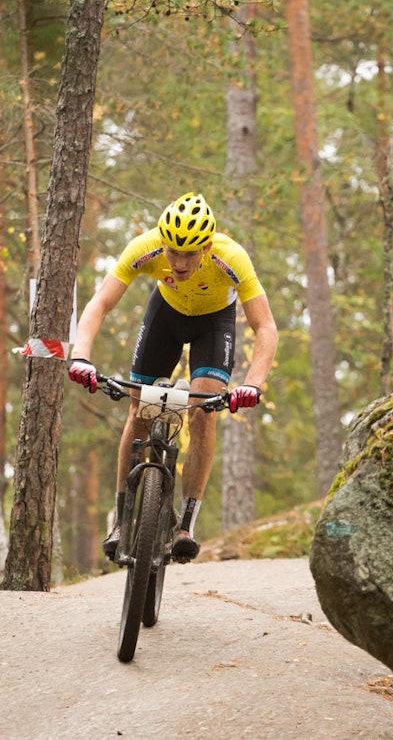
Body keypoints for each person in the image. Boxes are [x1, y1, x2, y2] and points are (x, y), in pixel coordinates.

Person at [67, 192, 278, 563]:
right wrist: (80, 357)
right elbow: (99, 303)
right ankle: (121, 517)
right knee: (139, 412)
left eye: (190, 253)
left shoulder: (231, 258)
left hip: (214, 325)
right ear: (162, 243)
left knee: (203, 411)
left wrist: (253, 383)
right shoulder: (145, 249)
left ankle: (186, 524)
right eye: (173, 252)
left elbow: (266, 327)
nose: (179, 263)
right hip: (165, 316)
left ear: (207, 247)